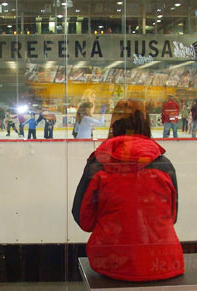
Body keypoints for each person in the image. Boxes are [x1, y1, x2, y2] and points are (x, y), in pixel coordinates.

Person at [72, 99, 184, 282]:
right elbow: (172, 217)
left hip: (111, 263)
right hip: (166, 263)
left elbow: (83, 219)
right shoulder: (164, 165)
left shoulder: (99, 164)